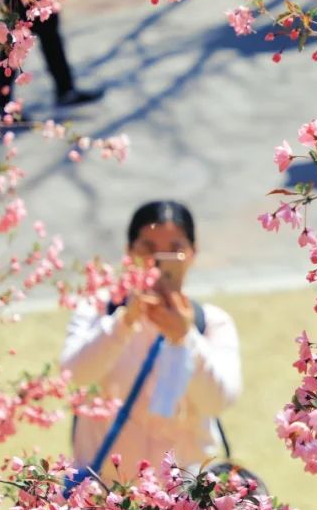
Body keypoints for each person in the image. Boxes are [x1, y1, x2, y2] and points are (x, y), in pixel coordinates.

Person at [61, 201, 242, 484]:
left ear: (192, 253)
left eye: (174, 248)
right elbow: (73, 376)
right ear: (129, 253)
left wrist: (185, 337)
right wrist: (124, 322)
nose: (158, 260)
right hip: (105, 494)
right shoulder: (97, 310)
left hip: (184, 495)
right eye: (148, 248)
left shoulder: (211, 323)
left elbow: (219, 400)